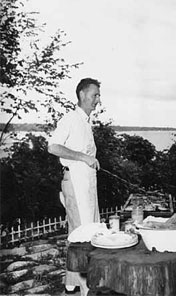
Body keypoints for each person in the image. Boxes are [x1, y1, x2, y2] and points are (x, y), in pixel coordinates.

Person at [48, 78, 101, 295]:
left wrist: (90, 160)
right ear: (81, 95)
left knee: (79, 232)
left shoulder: (86, 122)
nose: (98, 99)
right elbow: (53, 147)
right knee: (82, 235)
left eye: (98, 95)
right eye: (94, 95)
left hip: (87, 183)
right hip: (76, 183)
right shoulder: (70, 118)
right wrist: (82, 157)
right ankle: (85, 288)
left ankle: (71, 282)